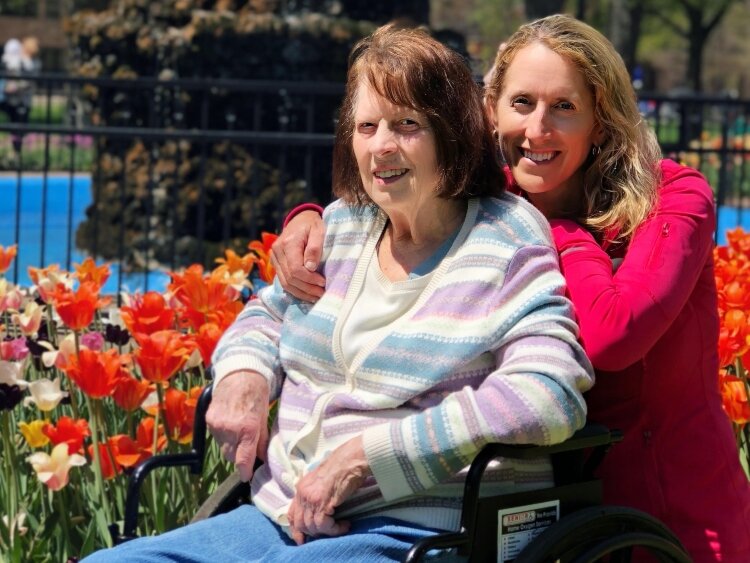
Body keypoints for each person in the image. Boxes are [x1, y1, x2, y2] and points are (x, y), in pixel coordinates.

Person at [83, 24, 594, 562]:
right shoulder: (343, 228)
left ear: (452, 132)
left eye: (407, 125)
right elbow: (266, 315)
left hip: (422, 528)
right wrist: (243, 378)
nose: (381, 146)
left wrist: (368, 457)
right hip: (278, 517)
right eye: (367, 126)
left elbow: (547, 392)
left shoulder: (505, 237)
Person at [272, 14, 750, 563]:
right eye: (522, 104)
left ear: (601, 119)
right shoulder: (492, 199)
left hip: (668, 519)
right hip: (539, 518)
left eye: (564, 107)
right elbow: (392, 205)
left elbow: (615, 336)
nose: (537, 130)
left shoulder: (672, 198)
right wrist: (308, 219)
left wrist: (563, 228)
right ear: (492, 110)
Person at [1, 36, 41, 153]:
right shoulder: (19, 60)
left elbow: (28, 83)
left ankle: (16, 153)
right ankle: (15, 152)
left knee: (19, 127)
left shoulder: (33, 63)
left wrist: (14, 87)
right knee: (15, 126)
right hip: (13, 100)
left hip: (22, 99)